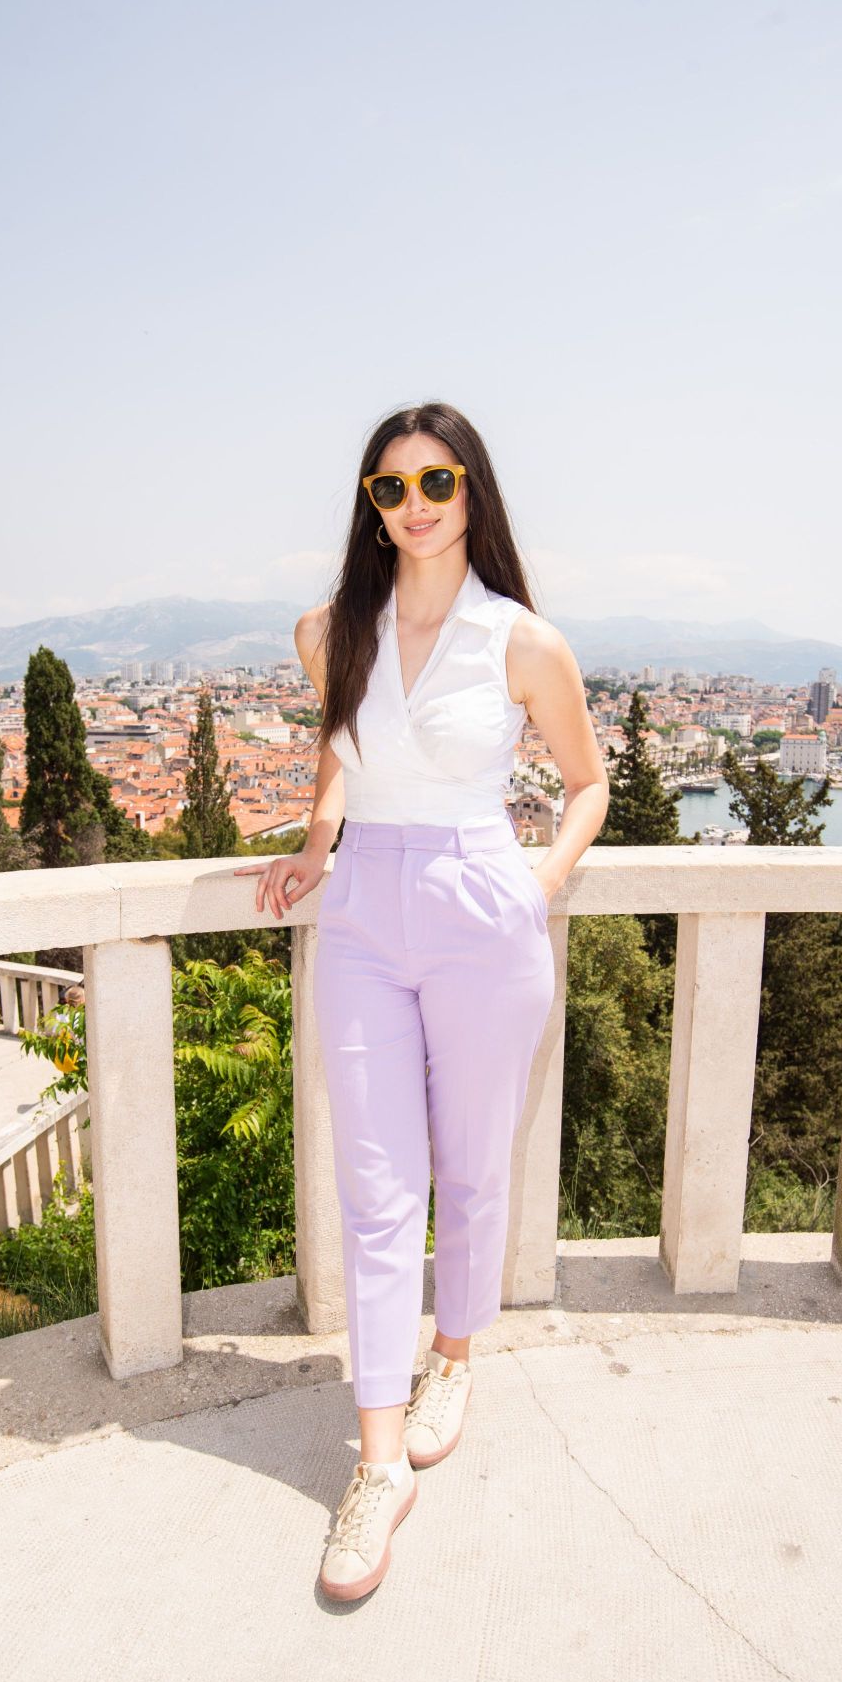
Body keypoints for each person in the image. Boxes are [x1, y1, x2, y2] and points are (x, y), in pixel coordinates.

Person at [236, 401, 609, 1602]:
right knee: (376, 1188)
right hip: (361, 916)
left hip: (478, 904)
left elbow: (588, 783)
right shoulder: (327, 631)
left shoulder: (521, 641)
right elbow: (344, 749)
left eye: (434, 481)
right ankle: (378, 1461)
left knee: (472, 1163)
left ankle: (453, 1354)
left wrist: (536, 885)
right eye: (389, 487)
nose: (413, 505)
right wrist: (314, 844)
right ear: (370, 506)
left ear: (469, 491)